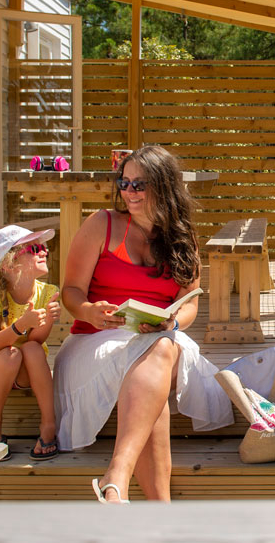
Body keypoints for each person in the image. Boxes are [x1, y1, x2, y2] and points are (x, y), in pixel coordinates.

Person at [54, 145, 232, 503]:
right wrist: (88, 311)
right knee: (156, 380)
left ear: (163, 186)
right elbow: (70, 291)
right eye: (125, 182)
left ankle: (116, 481)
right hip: (96, 341)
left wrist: (172, 322)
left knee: (160, 348)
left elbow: (190, 303)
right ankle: (154, 505)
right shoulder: (100, 224)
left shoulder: (183, 237)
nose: (129, 192)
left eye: (139, 184)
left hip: (158, 337)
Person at [0, 225, 62, 461]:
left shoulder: (47, 292)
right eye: (35, 248)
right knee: (10, 354)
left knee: (30, 348)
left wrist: (47, 320)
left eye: (44, 247)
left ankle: (48, 425)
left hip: (23, 371)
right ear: (9, 265)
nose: (44, 252)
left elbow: (37, 342)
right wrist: (21, 324)